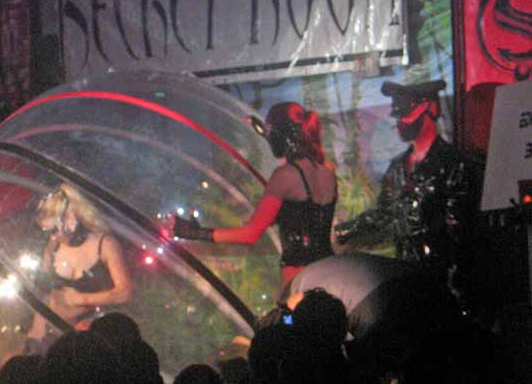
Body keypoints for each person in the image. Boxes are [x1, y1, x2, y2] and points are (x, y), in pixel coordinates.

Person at [334, 79, 481, 305]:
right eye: (398, 116)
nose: (400, 122)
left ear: (430, 108)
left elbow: (461, 235)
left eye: (405, 114)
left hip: (446, 285)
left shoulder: (454, 164)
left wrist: (457, 293)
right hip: (408, 280)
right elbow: (382, 216)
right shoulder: (397, 169)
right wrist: (343, 232)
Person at [165, 101, 337, 293]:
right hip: (330, 272)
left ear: (280, 135)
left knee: (288, 314)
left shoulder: (284, 176)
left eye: (270, 132)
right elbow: (306, 210)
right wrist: (268, 134)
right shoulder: (327, 170)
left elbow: (250, 234)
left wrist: (195, 233)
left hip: (300, 281)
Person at [27, 183, 132, 345]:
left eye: (54, 230)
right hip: (52, 333)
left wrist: (82, 299)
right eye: (47, 232)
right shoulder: (52, 247)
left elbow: (124, 292)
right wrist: (36, 332)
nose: (52, 237)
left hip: (90, 337)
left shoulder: (105, 245)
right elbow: (44, 292)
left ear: (70, 219)